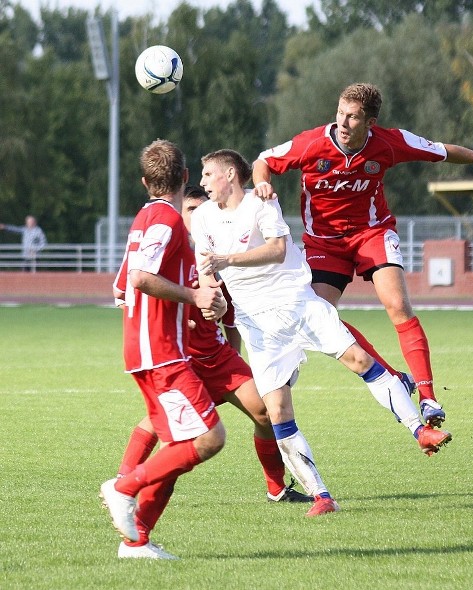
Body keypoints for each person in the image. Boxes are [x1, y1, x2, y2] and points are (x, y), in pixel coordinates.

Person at [252, 82, 473, 428]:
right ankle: (395, 377)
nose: (343, 122)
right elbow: (263, 161)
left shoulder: (388, 142)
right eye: (340, 113)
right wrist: (262, 183)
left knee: (398, 306)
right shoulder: (311, 143)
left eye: (353, 117)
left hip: (372, 233)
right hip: (324, 242)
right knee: (321, 316)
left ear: (370, 123)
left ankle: (428, 398)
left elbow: (442, 151)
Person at [192, 150, 452, 517]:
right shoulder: (202, 217)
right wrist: (214, 301)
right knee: (277, 410)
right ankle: (321, 496)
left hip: (299, 302)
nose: (202, 183)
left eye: (207, 174)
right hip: (259, 324)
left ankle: (418, 430)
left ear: (230, 174)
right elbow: (207, 274)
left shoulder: (261, 201)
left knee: (360, 360)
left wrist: (229, 260)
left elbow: (279, 249)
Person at [112, 186, 311, 559]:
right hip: (177, 359)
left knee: (266, 412)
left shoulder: (214, 256)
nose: (196, 216)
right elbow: (133, 285)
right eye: (189, 208)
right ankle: (124, 485)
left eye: (201, 209)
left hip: (217, 359)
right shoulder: (168, 244)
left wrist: (225, 330)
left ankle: (276, 488)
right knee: (166, 432)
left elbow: (230, 315)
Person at [100, 140, 229, 561]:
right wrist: (191, 297)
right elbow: (139, 278)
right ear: (186, 177)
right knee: (210, 438)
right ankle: (122, 487)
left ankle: (136, 542)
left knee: (180, 448)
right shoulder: (168, 220)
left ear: (144, 181)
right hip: (161, 353)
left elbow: (121, 285)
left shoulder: (144, 217)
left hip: (149, 350)